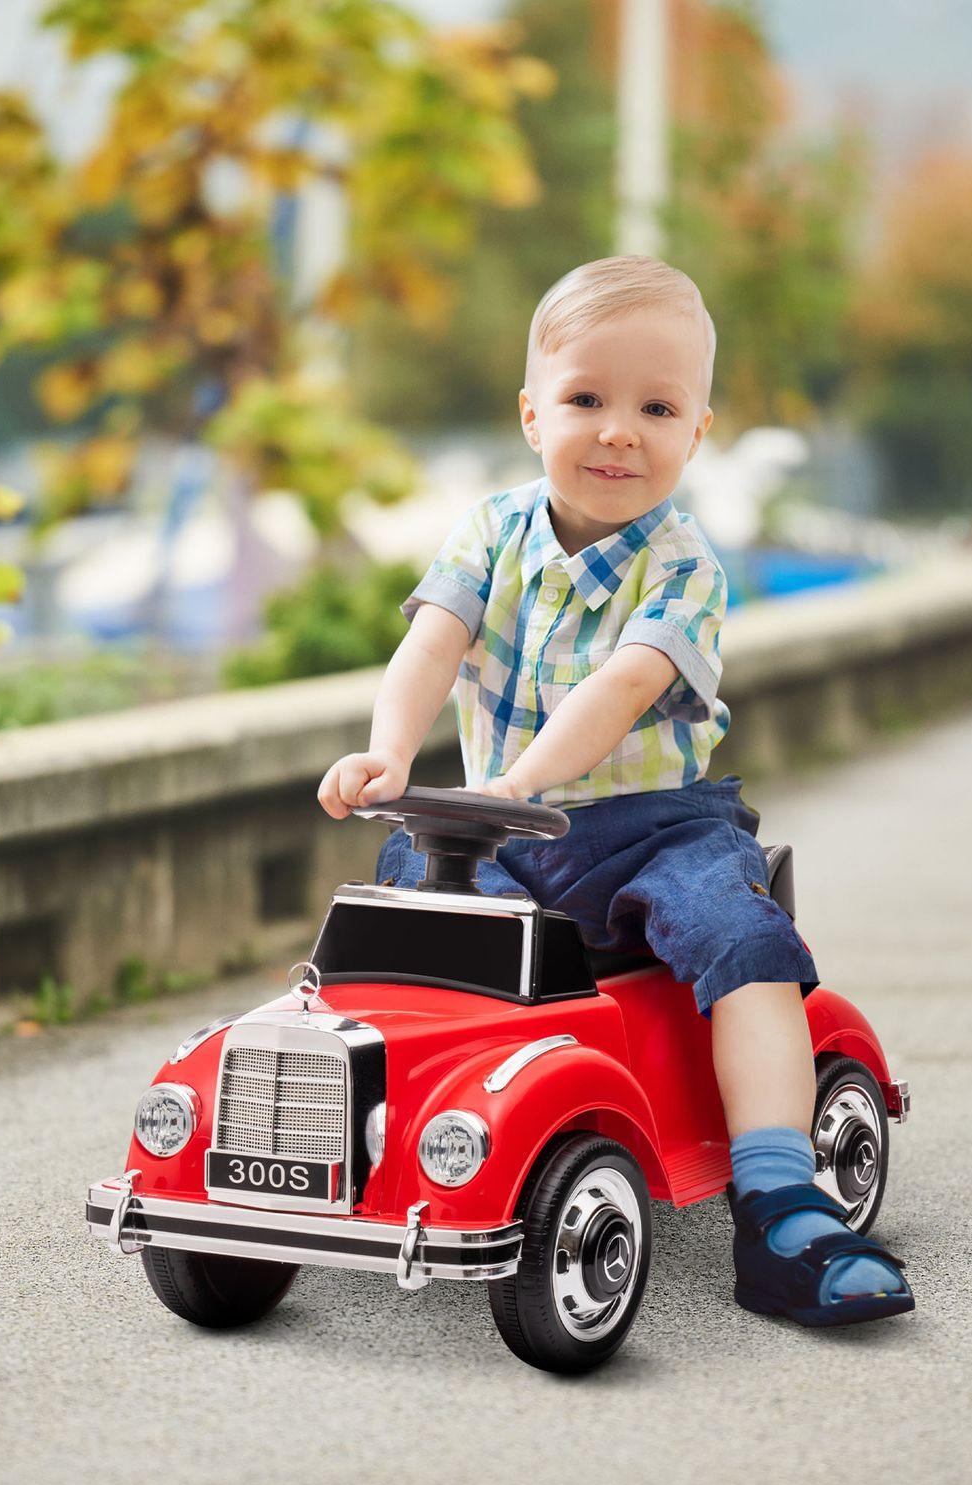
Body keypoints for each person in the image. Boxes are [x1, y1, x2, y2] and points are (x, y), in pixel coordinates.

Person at [318, 255, 912, 1326]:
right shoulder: (490, 530)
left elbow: (621, 687)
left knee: (743, 939)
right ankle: (390, 1146)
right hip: (494, 826)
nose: (618, 431)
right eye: (586, 399)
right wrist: (390, 756)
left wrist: (518, 779)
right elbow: (431, 644)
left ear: (698, 431)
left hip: (653, 826)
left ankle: (781, 1201)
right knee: (402, 944)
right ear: (533, 414)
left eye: (657, 407)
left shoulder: (683, 566)